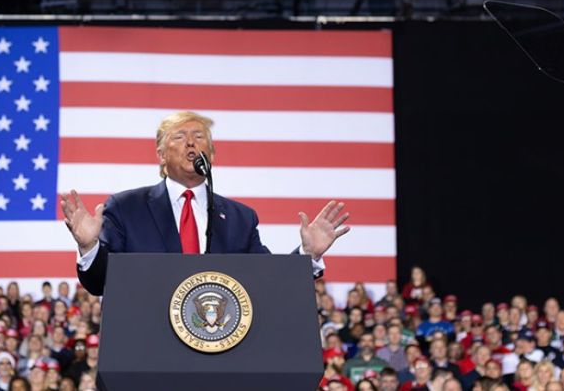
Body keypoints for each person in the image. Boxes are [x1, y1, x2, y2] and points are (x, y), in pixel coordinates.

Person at [60, 111, 351, 295]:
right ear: (161, 155)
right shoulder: (126, 207)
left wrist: (306, 255)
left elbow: (266, 282)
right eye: (180, 137)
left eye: (199, 137)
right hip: (148, 352)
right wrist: (89, 248)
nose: (191, 143)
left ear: (211, 154)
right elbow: (101, 283)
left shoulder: (240, 218)